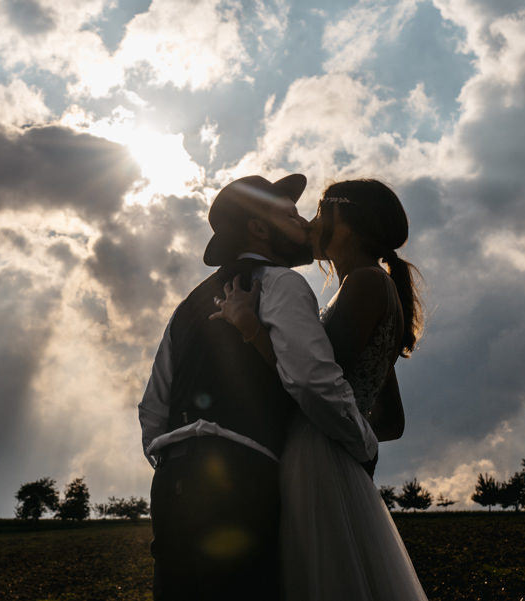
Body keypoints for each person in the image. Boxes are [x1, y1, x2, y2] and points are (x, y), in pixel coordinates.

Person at [138, 174, 378, 601]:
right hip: (241, 482)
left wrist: (181, 461)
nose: (306, 223)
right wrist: (363, 444)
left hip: (169, 488)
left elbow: (152, 411)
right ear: (260, 229)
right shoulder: (281, 283)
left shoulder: (185, 307)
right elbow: (310, 380)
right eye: (291, 213)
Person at [211, 179, 428, 601]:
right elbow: (391, 420)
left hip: (316, 457)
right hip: (334, 457)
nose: (308, 224)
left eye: (317, 213)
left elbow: (314, 385)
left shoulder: (365, 284)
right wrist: (356, 441)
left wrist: (251, 329)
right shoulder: (373, 285)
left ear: (346, 222)